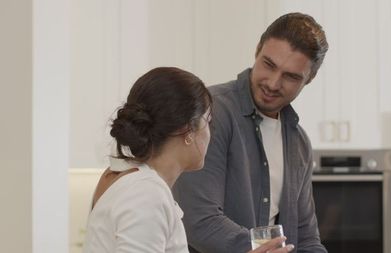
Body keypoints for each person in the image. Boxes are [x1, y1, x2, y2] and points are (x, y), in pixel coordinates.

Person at [83, 67, 295, 253]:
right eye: (208, 121)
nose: (210, 133)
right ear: (188, 131)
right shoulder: (147, 193)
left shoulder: (126, 179)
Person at [172, 12, 329, 253]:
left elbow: (305, 238)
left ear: (309, 79)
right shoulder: (210, 113)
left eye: (290, 76)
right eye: (269, 65)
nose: (273, 83)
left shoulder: (300, 143)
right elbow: (198, 221)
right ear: (257, 51)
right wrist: (270, 248)